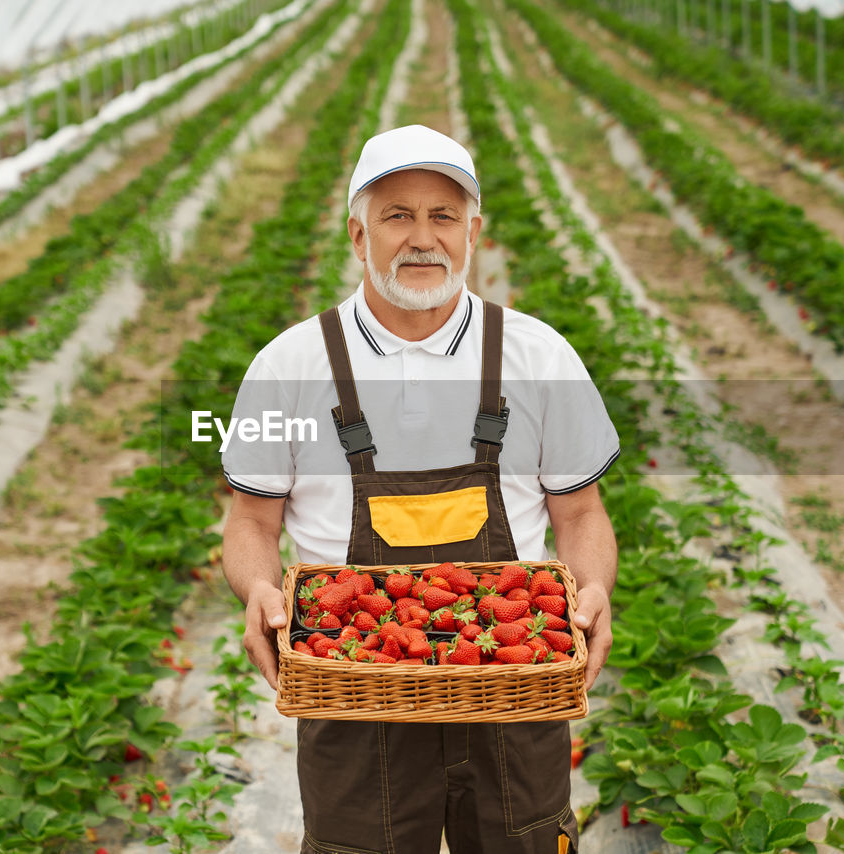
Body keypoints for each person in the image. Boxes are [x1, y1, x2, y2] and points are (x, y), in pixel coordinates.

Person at [219, 124, 619, 854]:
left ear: (473, 231)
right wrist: (259, 590)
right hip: (351, 677)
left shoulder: (539, 356)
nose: (421, 237)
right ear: (356, 232)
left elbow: (581, 510)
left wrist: (590, 588)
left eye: (442, 216)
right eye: (396, 215)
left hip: (510, 673)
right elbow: (250, 522)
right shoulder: (289, 366)